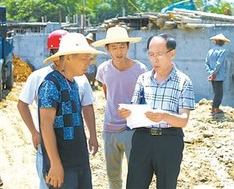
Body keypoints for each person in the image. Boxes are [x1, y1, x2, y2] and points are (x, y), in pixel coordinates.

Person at [17, 29, 100, 189]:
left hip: (79, 159)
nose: (88, 63)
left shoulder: (73, 82)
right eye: (84, 58)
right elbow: (46, 126)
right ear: (68, 57)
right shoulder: (50, 84)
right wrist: (55, 164)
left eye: (89, 58)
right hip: (63, 163)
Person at [119, 33, 195, 188]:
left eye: (159, 54)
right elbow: (134, 107)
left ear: (172, 53)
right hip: (142, 139)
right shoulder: (143, 79)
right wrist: (127, 113)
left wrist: (164, 116)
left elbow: (183, 119)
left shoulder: (183, 81)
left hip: (169, 141)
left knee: (167, 185)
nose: (155, 59)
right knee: (135, 184)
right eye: (151, 54)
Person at [92, 26, 148, 188]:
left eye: (122, 46)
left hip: (133, 129)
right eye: (114, 47)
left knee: (137, 174)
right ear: (107, 48)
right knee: (113, 176)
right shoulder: (103, 69)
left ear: (128, 46)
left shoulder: (140, 69)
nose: (119, 51)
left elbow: (145, 99)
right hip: (109, 129)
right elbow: (107, 93)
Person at [205, 33, 230, 115]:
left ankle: (214, 107)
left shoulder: (210, 51)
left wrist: (211, 73)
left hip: (212, 75)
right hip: (218, 76)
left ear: (215, 42)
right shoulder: (223, 51)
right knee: (219, 93)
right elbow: (219, 63)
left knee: (216, 92)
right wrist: (214, 73)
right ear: (222, 42)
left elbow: (206, 63)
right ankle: (215, 108)